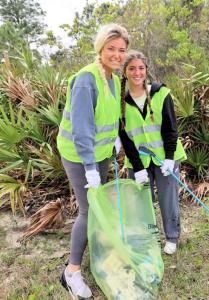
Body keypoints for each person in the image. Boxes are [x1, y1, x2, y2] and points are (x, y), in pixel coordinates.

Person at [56, 23, 129, 299]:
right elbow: (82, 130)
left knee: (100, 210)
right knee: (89, 211)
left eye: (121, 50)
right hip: (79, 155)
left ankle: (97, 255)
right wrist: (90, 169)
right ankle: (71, 272)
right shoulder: (87, 79)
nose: (117, 54)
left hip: (100, 153)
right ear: (101, 48)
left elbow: (107, 117)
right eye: (111, 49)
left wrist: (115, 138)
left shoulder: (113, 78)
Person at [119, 50, 186, 255]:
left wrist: (168, 158)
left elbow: (170, 129)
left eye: (141, 68)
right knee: (142, 203)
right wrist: (137, 168)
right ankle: (148, 238)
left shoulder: (161, 94)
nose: (137, 72)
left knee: (168, 199)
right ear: (125, 72)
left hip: (166, 157)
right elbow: (126, 137)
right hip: (138, 161)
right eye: (132, 68)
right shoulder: (120, 101)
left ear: (146, 70)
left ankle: (172, 237)